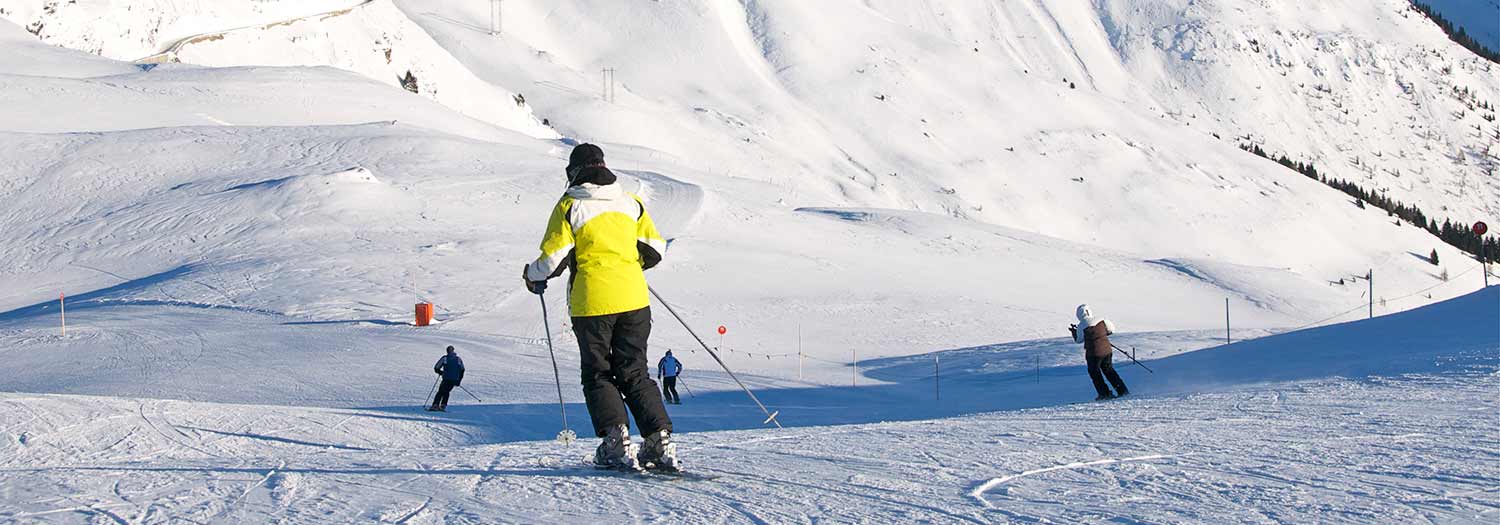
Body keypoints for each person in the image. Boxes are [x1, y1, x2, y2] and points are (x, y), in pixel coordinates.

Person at [522, 143, 678, 471]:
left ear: (573, 173)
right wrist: (627, 264)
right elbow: (655, 249)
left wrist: (531, 275)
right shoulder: (630, 202)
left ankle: (616, 442)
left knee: (598, 372)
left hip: (592, 302)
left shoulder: (569, 205)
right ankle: (659, 441)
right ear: (605, 168)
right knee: (635, 370)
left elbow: (554, 258)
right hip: (634, 299)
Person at [1070, 304, 1128, 401]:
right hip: (1107, 350)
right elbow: (1111, 330)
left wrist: (1074, 332)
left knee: (1095, 374)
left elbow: (1079, 340)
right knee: (1109, 370)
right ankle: (1122, 390)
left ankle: (1104, 393)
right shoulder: (1102, 319)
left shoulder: (1081, 326)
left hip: (1093, 354)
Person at [430, 345, 465, 412]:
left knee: (440, 391)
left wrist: (441, 373)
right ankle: (443, 406)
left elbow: (436, 368)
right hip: (455, 379)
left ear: (447, 351)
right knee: (446, 391)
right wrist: (459, 380)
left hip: (446, 378)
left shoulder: (445, 358)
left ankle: (435, 405)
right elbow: (462, 370)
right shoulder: (458, 359)